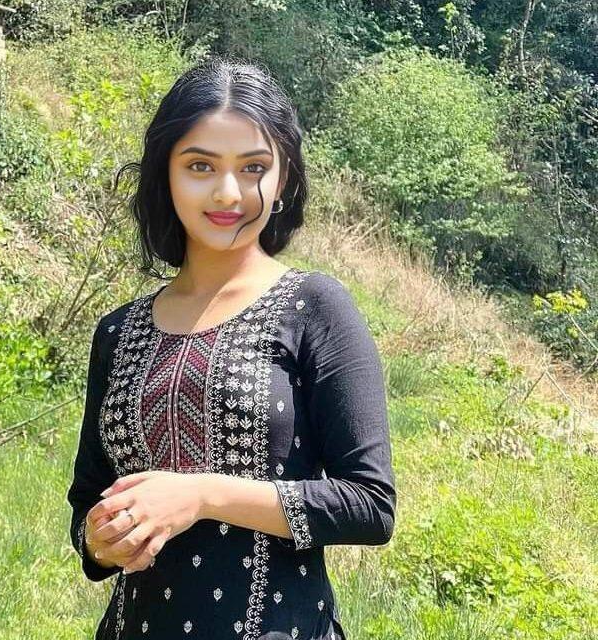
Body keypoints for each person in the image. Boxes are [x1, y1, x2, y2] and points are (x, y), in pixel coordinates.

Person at [66, 56, 396, 640]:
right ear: (166, 173)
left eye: (253, 168)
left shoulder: (313, 307)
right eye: (200, 166)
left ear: (283, 180)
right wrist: (99, 542)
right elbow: (87, 506)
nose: (227, 192)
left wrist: (202, 495)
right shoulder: (118, 332)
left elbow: (369, 505)